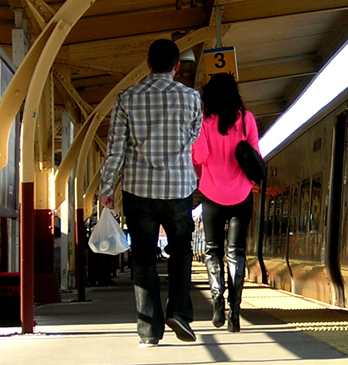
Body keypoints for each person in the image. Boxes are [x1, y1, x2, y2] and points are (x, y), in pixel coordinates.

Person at [99, 39, 202, 347]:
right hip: (179, 188)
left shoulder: (126, 98)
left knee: (143, 258)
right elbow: (194, 135)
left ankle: (148, 331)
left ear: (147, 63)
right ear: (177, 67)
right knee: (181, 250)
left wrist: (106, 190)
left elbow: (115, 148)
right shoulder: (191, 97)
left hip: (138, 190)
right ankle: (179, 312)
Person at [192, 73, 259, 333]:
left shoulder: (205, 122)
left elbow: (199, 155)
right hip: (242, 195)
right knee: (236, 252)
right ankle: (235, 310)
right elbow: (254, 153)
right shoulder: (247, 119)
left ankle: (218, 301)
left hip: (212, 195)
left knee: (212, 251)